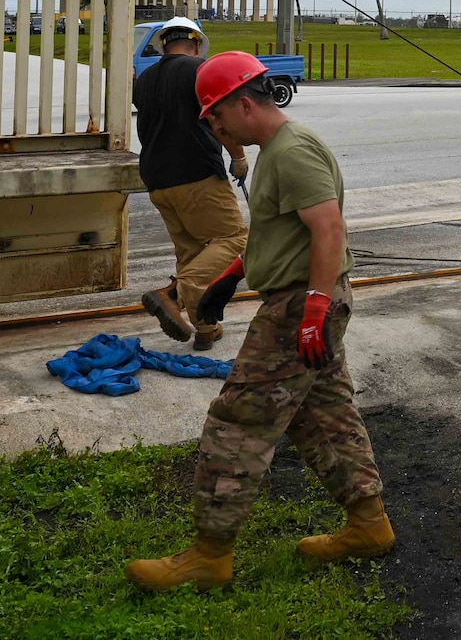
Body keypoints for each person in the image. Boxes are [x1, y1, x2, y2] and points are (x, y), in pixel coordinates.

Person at [125, 51, 392, 591]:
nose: (216, 128)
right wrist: (230, 277)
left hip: (299, 305)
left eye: (217, 116)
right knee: (323, 413)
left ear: (244, 103)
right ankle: (369, 525)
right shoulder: (273, 152)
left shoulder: (293, 152)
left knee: (239, 419)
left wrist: (314, 308)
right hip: (300, 297)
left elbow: (328, 229)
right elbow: (279, 233)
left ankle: (209, 555)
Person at [134, 17, 249, 351]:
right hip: (196, 174)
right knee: (236, 239)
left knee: (192, 254)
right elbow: (218, 118)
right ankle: (172, 295)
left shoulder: (145, 78)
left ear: (163, 45)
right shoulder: (199, 70)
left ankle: (206, 328)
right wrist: (239, 156)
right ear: (197, 44)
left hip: (157, 180)